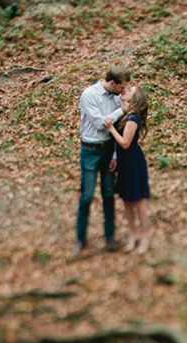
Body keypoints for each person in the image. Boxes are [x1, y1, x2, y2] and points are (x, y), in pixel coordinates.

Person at [73, 66, 130, 256]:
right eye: (121, 88)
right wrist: (121, 110)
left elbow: (117, 128)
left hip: (108, 150)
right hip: (90, 149)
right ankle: (80, 238)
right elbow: (100, 124)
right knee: (87, 195)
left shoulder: (115, 97)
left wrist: (115, 155)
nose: (123, 92)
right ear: (111, 83)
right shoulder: (89, 94)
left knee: (108, 193)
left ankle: (110, 236)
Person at [104, 86, 151, 254]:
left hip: (133, 161)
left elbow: (125, 142)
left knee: (138, 200)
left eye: (130, 90)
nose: (125, 90)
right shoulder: (125, 114)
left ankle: (144, 236)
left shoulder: (132, 118)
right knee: (127, 200)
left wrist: (110, 128)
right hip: (124, 160)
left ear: (134, 99)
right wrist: (116, 157)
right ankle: (133, 234)